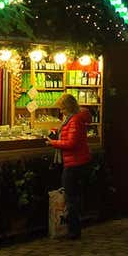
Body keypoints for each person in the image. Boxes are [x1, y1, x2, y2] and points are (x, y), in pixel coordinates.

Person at [46, 93, 92, 240]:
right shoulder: (71, 119)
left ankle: (73, 230)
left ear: (68, 107)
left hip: (74, 163)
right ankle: (73, 228)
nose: (61, 111)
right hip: (75, 162)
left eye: (62, 108)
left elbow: (71, 143)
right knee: (73, 196)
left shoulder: (75, 120)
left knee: (71, 197)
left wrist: (53, 143)